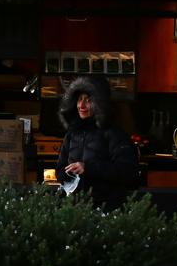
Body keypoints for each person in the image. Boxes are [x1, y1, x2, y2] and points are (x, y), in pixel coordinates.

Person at [55, 76, 138, 211]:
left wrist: (88, 168)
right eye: (80, 99)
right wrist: (67, 175)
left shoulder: (114, 134)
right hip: (74, 209)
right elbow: (59, 169)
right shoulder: (72, 134)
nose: (81, 105)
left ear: (100, 103)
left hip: (105, 209)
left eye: (88, 100)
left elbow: (128, 171)